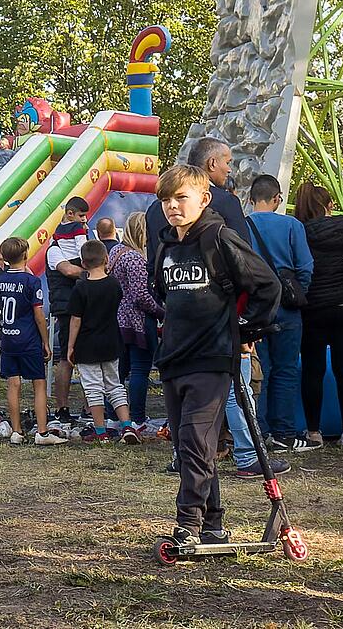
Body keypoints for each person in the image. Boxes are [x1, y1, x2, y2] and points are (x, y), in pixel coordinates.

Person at [152, 162, 280, 554]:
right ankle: (213, 526)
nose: (172, 206)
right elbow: (161, 294)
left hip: (212, 358)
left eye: (180, 198)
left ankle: (186, 524)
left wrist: (245, 331)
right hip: (174, 358)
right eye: (165, 200)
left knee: (195, 441)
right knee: (193, 444)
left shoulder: (219, 237)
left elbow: (267, 286)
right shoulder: (164, 244)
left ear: (203, 199)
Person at [144, 136, 263, 475]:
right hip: (214, 314)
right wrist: (244, 326)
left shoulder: (156, 208)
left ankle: (190, 455)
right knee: (227, 386)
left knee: (187, 391)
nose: (229, 168)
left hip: (177, 313)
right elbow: (246, 265)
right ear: (211, 165)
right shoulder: (223, 203)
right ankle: (246, 454)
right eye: (226, 161)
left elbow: (157, 264)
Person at [295, 183, 343, 448]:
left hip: (312, 309)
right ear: (329, 204)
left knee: (312, 370)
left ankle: (313, 431)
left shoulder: (298, 232)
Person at [244, 175, 314, 451]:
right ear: (277, 199)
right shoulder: (292, 225)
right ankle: (284, 432)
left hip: (255, 307)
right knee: (286, 370)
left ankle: (257, 431)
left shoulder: (241, 226)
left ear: (250, 199)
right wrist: (295, 292)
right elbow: (305, 267)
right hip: (286, 308)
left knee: (259, 371)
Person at [0, 238, 60, 445]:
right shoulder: (31, 281)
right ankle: (42, 432)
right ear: (25, 255)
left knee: (13, 383)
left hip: (8, 337)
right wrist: (45, 341)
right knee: (39, 383)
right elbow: (37, 314)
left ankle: (16, 430)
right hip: (28, 338)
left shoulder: (0, 280)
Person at [64, 240, 132, 441]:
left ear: (83, 264)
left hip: (87, 344)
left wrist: (70, 346)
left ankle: (100, 431)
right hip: (111, 340)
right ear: (106, 259)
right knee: (115, 385)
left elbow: (76, 319)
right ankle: (127, 426)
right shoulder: (114, 284)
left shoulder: (80, 288)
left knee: (93, 387)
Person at [43, 195, 92, 430]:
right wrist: (93, 273)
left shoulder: (75, 237)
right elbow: (69, 270)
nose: (84, 221)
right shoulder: (53, 251)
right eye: (81, 216)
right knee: (67, 358)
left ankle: (90, 407)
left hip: (82, 305)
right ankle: (62, 407)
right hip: (66, 308)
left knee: (90, 359)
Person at [114, 212, 161, 435]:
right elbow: (140, 295)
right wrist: (160, 311)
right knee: (140, 369)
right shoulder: (135, 258)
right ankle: (138, 418)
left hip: (119, 318)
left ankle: (115, 413)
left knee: (120, 370)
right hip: (137, 321)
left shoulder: (116, 251)